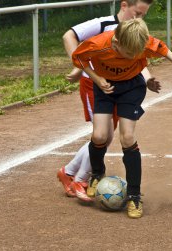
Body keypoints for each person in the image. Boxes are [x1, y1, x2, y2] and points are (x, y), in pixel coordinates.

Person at [72, 18, 172, 218]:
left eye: (138, 53)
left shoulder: (140, 42)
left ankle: (134, 196)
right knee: (100, 136)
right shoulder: (98, 44)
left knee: (127, 137)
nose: (134, 57)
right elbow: (79, 58)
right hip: (105, 88)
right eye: (130, 54)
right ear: (117, 43)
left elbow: (161, 47)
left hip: (132, 87)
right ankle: (97, 173)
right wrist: (97, 79)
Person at [57, 0, 160, 202]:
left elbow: (136, 59)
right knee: (102, 136)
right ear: (124, 5)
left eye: (143, 16)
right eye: (137, 13)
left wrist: (147, 79)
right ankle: (78, 179)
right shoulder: (103, 24)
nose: (139, 19)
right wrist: (78, 65)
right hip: (95, 84)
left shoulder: (133, 30)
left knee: (107, 136)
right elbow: (69, 35)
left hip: (120, 85)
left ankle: (69, 172)